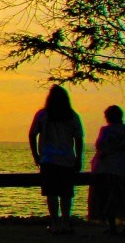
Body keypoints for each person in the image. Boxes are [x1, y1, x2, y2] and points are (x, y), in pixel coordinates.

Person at [28, 85, 83, 234]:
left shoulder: (43, 115)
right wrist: (78, 158)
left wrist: (36, 155)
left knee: (51, 193)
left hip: (48, 159)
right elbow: (78, 138)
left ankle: (55, 223)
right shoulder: (72, 116)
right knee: (65, 193)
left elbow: (32, 134)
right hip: (66, 160)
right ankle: (65, 222)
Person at [90, 105, 125, 235]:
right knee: (123, 198)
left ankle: (112, 227)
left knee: (107, 198)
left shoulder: (105, 130)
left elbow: (99, 145)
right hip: (122, 169)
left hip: (106, 169)